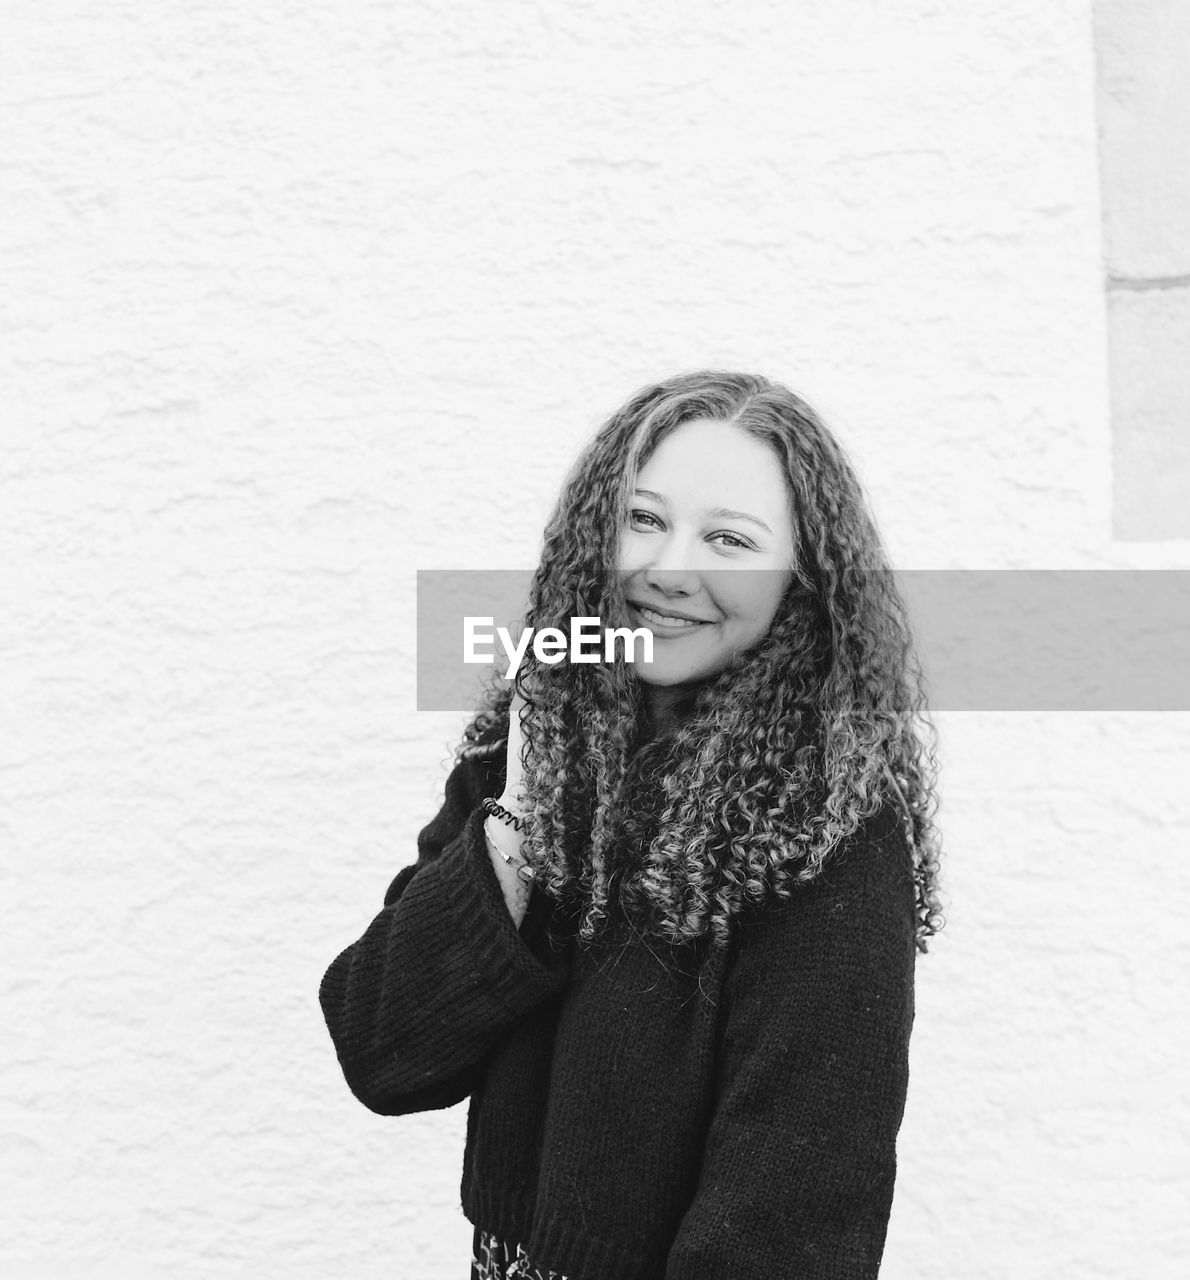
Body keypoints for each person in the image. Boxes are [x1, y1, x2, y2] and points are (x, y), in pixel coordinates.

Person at [318, 370, 945, 1280]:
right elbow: (384, 1050)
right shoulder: (529, 751)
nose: (667, 569)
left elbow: (788, 1226)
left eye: (729, 540)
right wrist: (524, 812)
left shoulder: (828, 826)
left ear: (801, 582)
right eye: (644, 519)